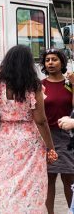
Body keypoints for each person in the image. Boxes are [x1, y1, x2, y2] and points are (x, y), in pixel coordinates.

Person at [0, 45, 57, 213]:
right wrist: (50, 146)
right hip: (28, 141)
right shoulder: (33, 86)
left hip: (1, 140)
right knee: (26, 186)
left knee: (0, 184)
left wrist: (3, 69)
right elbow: (41, 120)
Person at [40, 48, 74, 213]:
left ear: (62, 62)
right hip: (47, 137)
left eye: (54, 59)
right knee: (49, 179)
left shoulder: (69, 84)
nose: (51, 63)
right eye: (47, 60)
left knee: (69, 179)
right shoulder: (41, 85)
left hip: (68, 137)